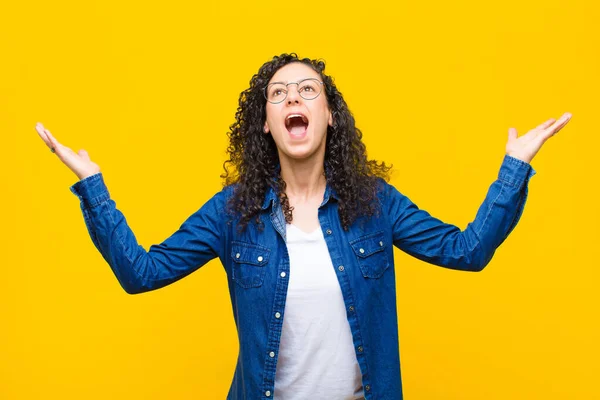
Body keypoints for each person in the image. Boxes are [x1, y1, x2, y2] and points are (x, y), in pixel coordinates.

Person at [35, 53, 571, 400]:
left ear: (330, 115)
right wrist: (94, 187)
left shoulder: (375, 204)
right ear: (266, 123)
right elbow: (140, 272)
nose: (293, 97)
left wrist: (515, 168)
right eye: (278, 93)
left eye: (308, 90)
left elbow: (467, 250)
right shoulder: (232, 214)